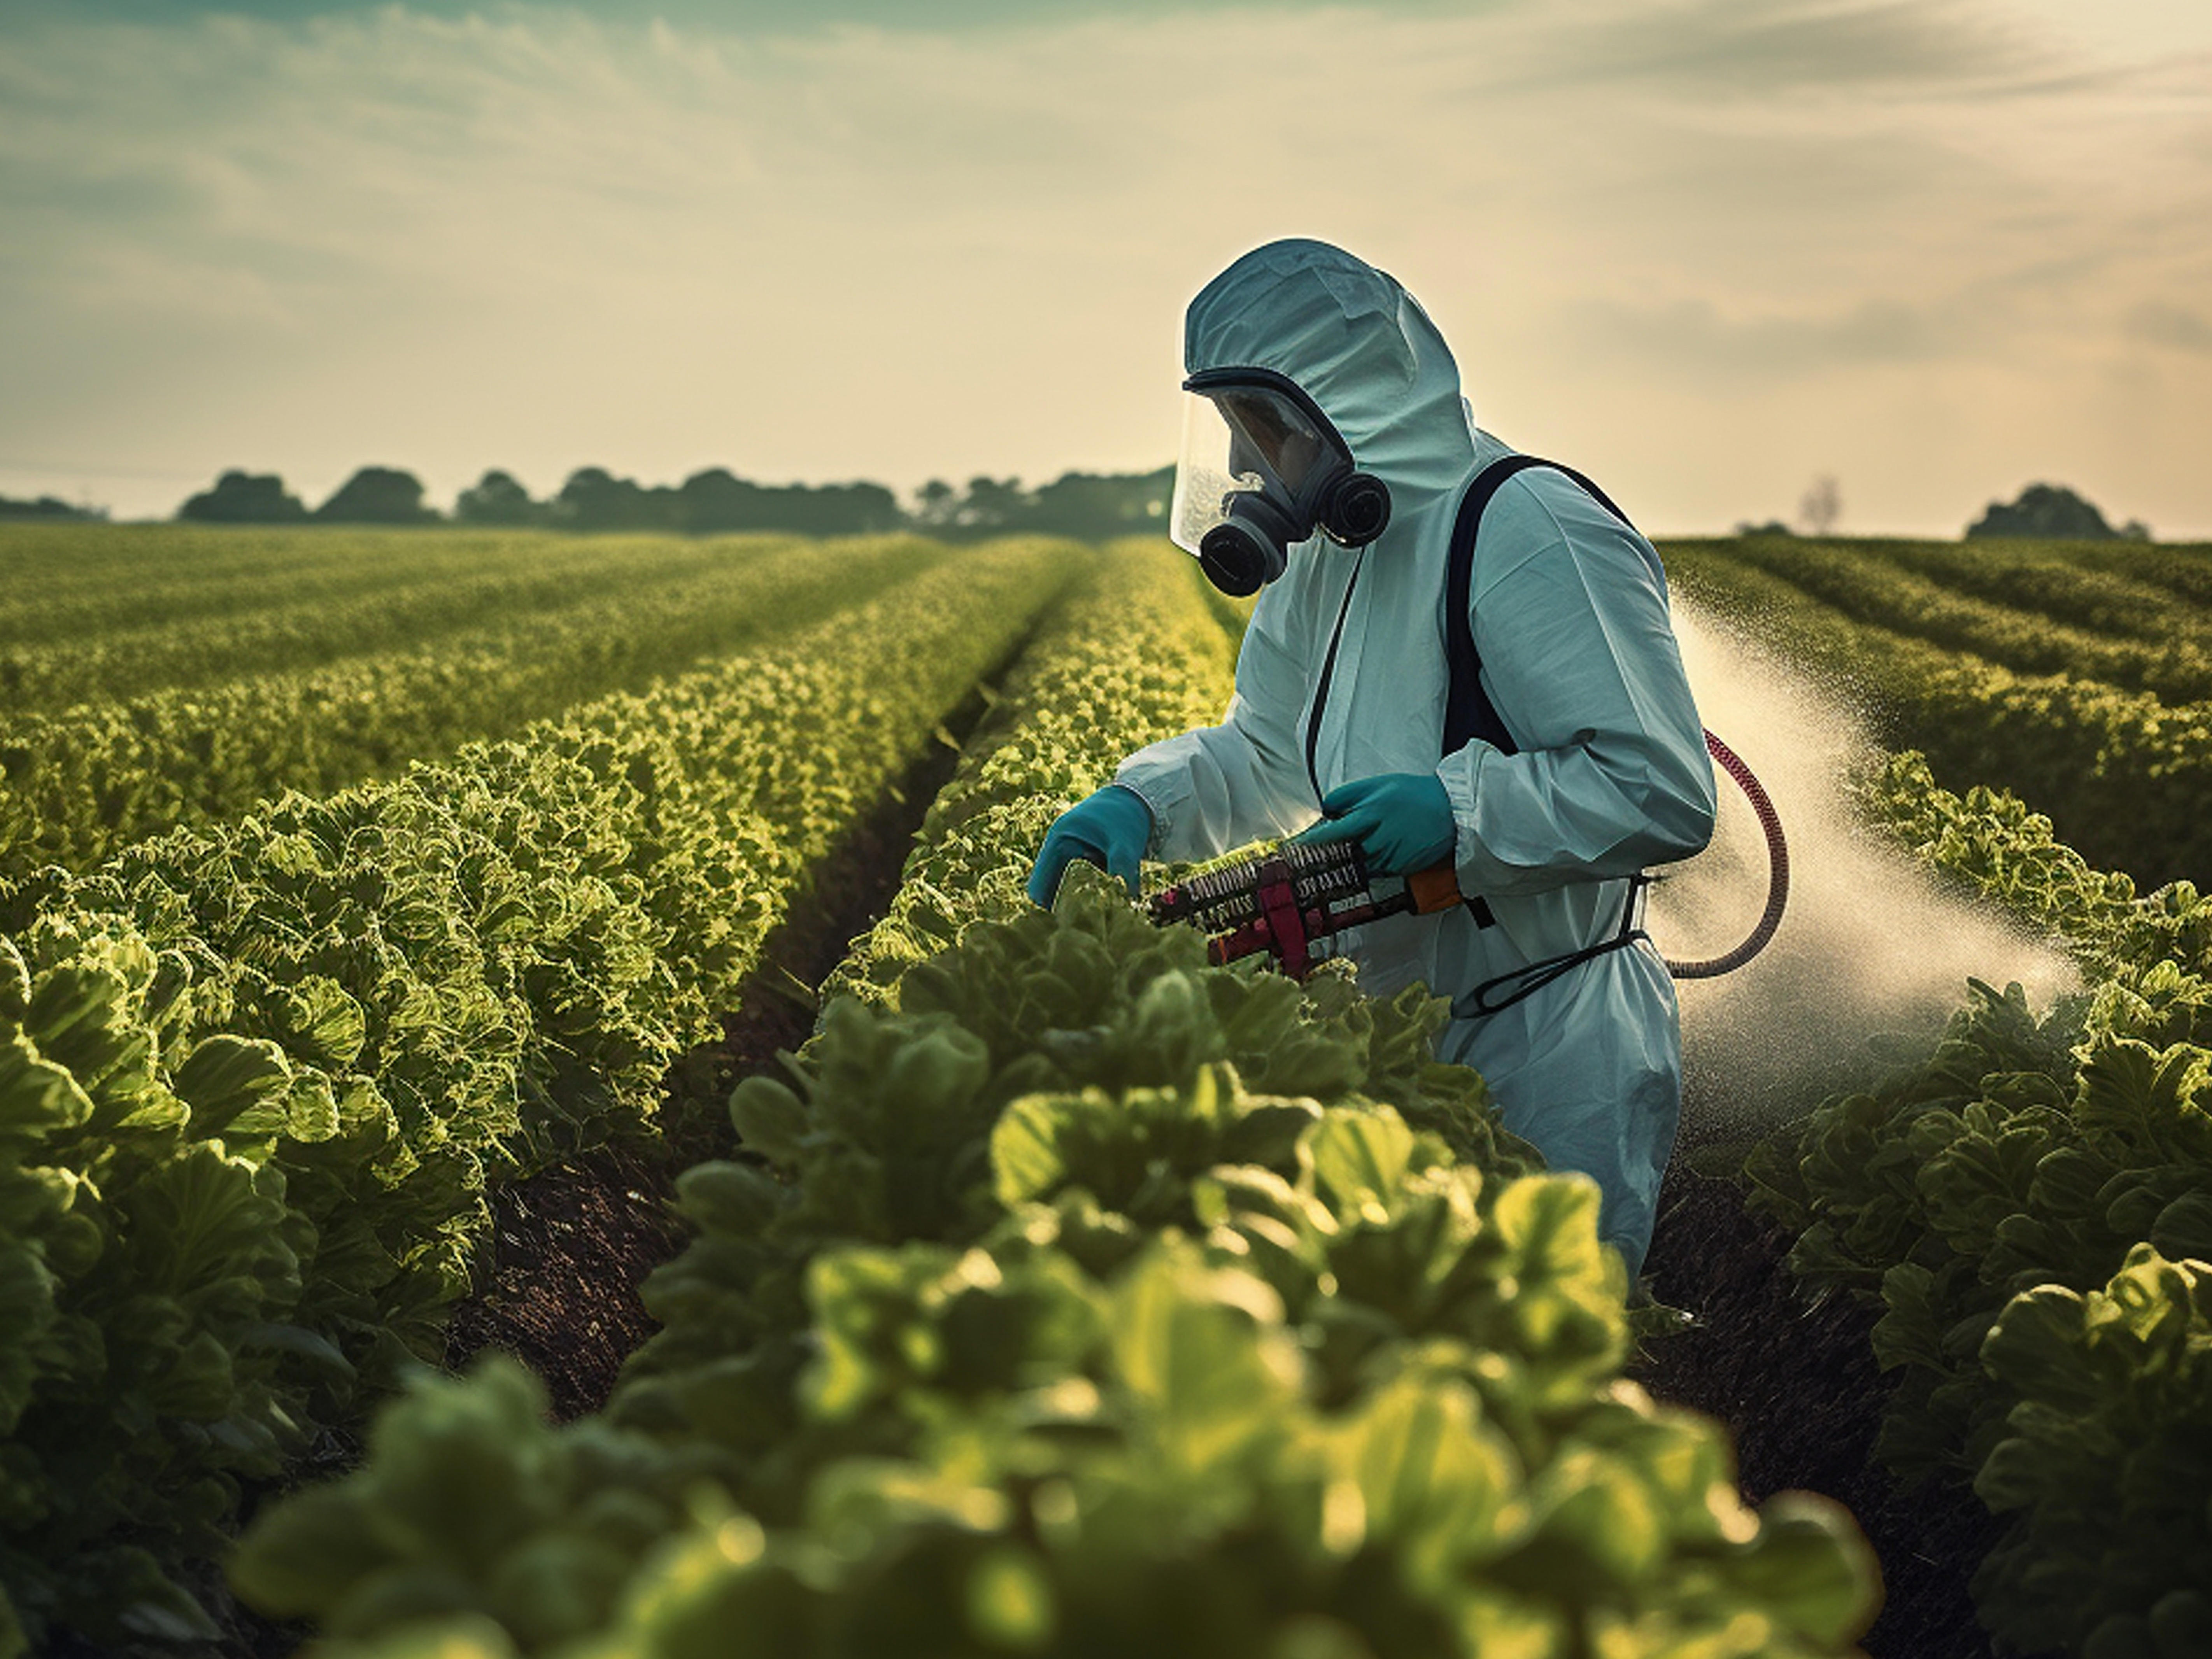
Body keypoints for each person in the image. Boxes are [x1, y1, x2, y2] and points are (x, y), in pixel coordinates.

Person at [1025, 238, 1715, 1282]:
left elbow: (1660, 789)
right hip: (1393, 1036)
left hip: (1547, 1037)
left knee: (1527, 1357)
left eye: (1262, 430)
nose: (1250, 465)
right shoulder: (1333, 553)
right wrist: (1136, 808)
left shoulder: (1527, 526)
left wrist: (1461, 815)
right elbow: (1265, 753)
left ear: (1343, 403)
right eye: (1233, 432)